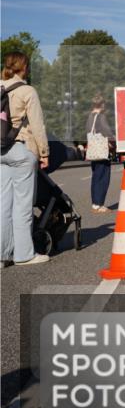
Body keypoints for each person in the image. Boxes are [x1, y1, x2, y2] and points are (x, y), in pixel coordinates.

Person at [1, 52, 50, 265]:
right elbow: (37, 125)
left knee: (3, 205)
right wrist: (44, 152)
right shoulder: (27, 90)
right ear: (24, 68)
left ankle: (2, 255)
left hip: (1, 151)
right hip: (21, 148)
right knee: (22, 205)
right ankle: (24, 255)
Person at [85, 96, 115, 213]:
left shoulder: (89, 117)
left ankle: (95, 204)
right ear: (102, 105)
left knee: (95, 177)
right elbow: (106, 130)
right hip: (101, 151)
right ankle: (99, 204)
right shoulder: (101, 116)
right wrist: (113, 140)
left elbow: (88, 130)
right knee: (103, 177)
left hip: (94, 151)